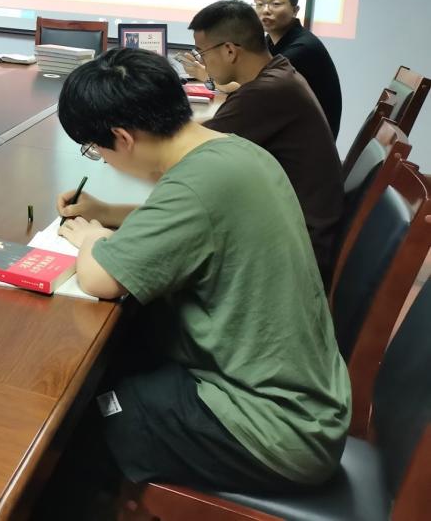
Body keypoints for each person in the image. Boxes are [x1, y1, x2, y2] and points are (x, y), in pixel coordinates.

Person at [52, 48, 349, 496]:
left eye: (96, 150)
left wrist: (93, 236)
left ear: (123, 138)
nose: (103, 159)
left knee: (75, 436)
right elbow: (194, 219)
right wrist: (108, 212)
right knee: (121, 362)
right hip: (304, 401)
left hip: (273, 429)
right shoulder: (232, 153)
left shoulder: (194, 183)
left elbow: (100, 279)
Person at [188, 0, 346, 283]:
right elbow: (205, 134)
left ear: (229, 50)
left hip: (296, 251)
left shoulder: (265, 93)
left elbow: (190, 151)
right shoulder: (278, 71)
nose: (202, 60)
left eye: (202, 52)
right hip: (296, 225)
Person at [253, 0, 343, 138]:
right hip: (294, 129)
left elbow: (255, 85)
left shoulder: (303, 48)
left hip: (309, 144)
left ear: (295, 10)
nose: (265, 10)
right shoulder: (272, 40)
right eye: (259, 4)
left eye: (275, 4)